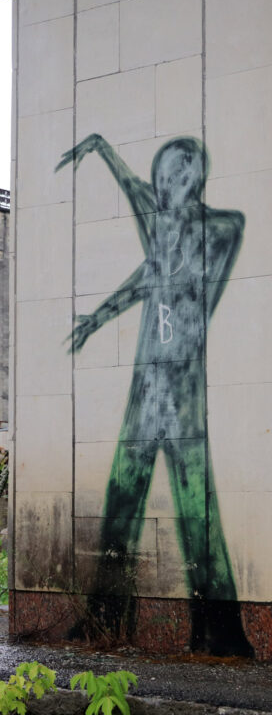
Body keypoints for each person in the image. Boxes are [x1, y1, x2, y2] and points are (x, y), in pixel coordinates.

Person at [56, 134, 253, 656]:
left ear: (191, 178)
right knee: (121, 503)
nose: (161, 186)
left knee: (197, 513)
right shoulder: (166, 235)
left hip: (182, 395)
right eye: (158, 177)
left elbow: (175, 258)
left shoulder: (221, 229)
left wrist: (111, 158)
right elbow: (151, 271)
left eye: (171, 177)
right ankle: (105, 618)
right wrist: (97, 318)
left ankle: (220, 631)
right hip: (146, 391)